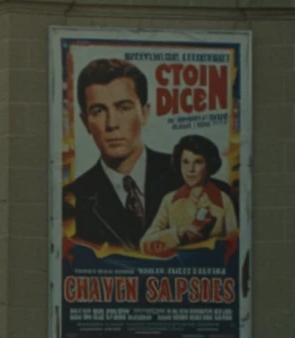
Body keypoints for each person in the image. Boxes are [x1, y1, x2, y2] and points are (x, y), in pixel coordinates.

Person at [63, 58, 231, 251]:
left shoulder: (195, 180)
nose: (111, 124)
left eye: (123, 108)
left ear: (145, 113)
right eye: (99, 111)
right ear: (85, 122)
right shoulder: (70, 200)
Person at [140, 135, 239, 256]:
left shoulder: (224, 200)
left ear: (208, 164)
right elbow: (145, 244)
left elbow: (234, 247)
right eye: (185, 162)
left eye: (198, 162)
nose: (190, 169)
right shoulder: (169, 200)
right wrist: (178, 234)